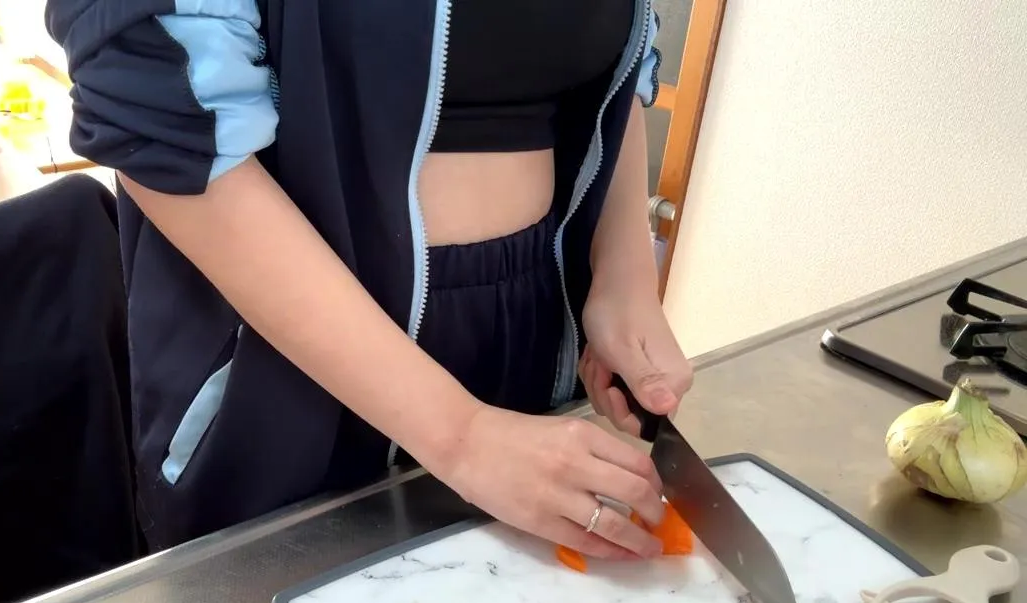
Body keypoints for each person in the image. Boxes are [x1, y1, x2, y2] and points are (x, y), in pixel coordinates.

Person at [47, 0, 694, 555]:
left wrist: (624, 278)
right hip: (291, 365)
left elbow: (620, 70)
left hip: (529, 338)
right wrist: (461, 436)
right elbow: (160, 118)